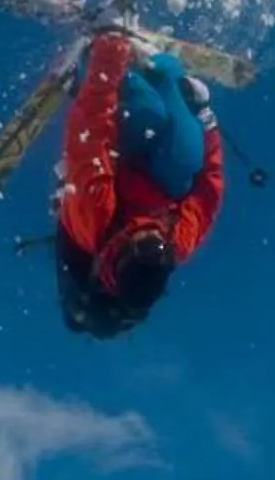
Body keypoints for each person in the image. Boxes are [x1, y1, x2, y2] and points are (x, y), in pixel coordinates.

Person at [54, 32, 224, 337]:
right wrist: (205, 121)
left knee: (147, 111)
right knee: (186, 157)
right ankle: (157, 63)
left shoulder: (94, 219)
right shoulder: (176, 239)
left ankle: (91, 64)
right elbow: (207, 192)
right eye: (157, 242)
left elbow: (89, 136)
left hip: (111, 161)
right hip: (154, 169)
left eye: (142, 241)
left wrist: (107, 55)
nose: (151, 231)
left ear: (122, 249)